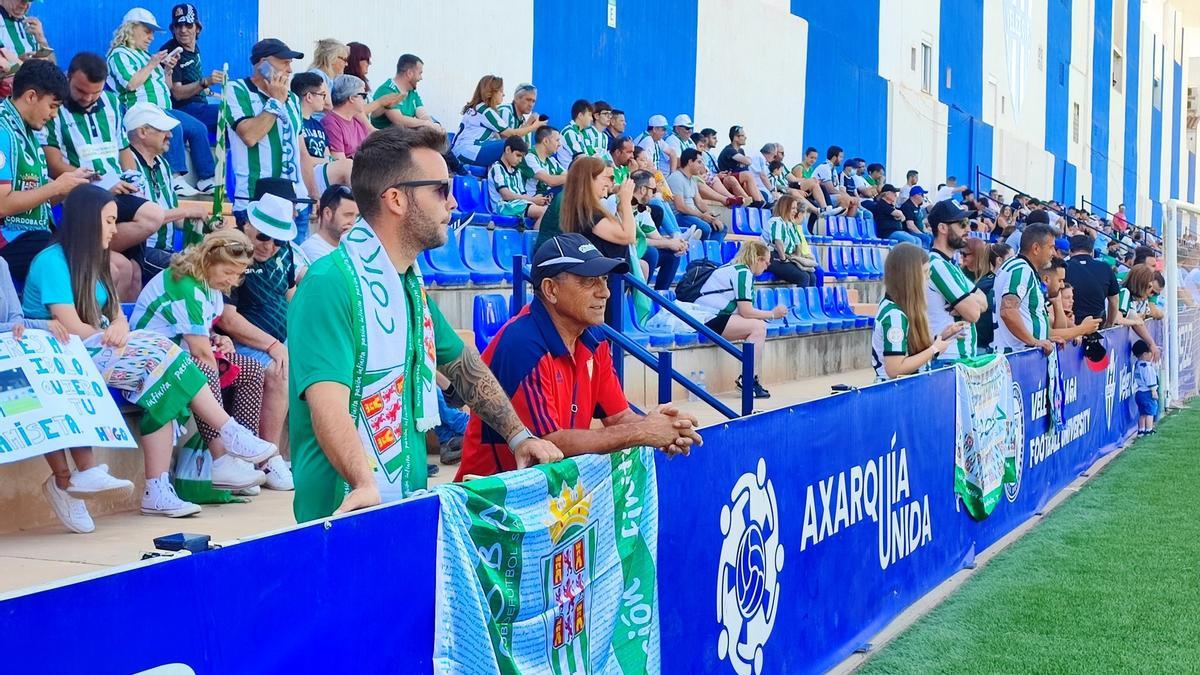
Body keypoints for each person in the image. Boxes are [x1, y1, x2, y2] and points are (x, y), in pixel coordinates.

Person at [288, 126, 562, 521]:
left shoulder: (407, 285)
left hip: (400, 509)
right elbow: (327, 401)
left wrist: (519, 436)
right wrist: (365, 482)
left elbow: (461, 365)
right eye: (439, 190)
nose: (452, 202)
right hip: (344, 516)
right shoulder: (328, 284)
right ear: (396, 199)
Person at [25, 185, 277, 530]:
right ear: (87, 221)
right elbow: (70, 327)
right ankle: (226, 434)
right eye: (110, 221)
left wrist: (116, 326)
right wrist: (109, 333)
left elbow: (115, 312)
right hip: (62, 355)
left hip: (97, 349)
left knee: (162, 378)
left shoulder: (96, 259)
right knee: (166, 354)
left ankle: (158, 489)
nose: (115, 229)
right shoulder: (51, 261)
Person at [455, 233, 699, 479]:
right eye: (589, 281)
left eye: (604, 279)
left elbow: (619, 417)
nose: (605, 292)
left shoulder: (593, 338)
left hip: (551, 493)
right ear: (551, 289)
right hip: (490, 499)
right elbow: (550, 442)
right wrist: (643, 432)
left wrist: (665, 428)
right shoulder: (522, 342)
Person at [131, 228, 290, 491]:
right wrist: (210, 347)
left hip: (174, 354)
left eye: (238, 274)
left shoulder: (209, 284)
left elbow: (200, 331)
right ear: (209, 261)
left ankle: (242, 460)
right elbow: (200, 352)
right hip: (150, 360)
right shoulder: (186, 285)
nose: (233, 281)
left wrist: (218, 337)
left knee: (250, 370)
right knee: (205, 367)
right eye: (228, 272)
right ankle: (222, 458)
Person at [43, 54, 174, 298]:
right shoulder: (55, 109)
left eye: (95, 92)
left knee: (135, 272)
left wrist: (132, 175)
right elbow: (53, 164)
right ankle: (83, 248)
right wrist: (99, 183)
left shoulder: (112, 103)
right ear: (68, 77)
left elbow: (123, 148)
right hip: (82, 194)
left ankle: (123, 331)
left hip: (116, 188)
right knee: (148, 224)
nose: (88, 98)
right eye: (81, 91)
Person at [107, 8, 215, 197]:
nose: (151, 37)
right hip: (139, 111)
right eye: (147, 31)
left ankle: (207, 178)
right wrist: (152, 64)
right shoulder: (119, 54)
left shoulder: (147, 55)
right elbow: (131, 83)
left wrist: (167, 70)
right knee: (174, 126)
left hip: (162, 108)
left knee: (198, 128)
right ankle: (175, 177)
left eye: (153, 33)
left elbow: (166, 86)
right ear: (131, 29)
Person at [0, 58, 90, 284]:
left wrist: (67, 189)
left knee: (96, 251)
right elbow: (2, 205)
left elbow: (32, 203)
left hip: (29, 235)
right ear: (31, 96)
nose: (54, 115)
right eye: (52, 106)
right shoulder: (2, 131)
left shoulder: (26, 131)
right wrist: (56, 186)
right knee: (66, 257)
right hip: (8, 240)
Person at [123, 102, 212, 280]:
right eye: (164, 130)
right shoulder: (127, 165)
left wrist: (209, 224)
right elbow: (141, 218)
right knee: (195, 272)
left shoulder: (162, 163)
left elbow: (175, 219)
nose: (170, 135)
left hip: (165, 250)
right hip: (141, 250)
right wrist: (186, 210)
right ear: (142, 132)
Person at [224, 38, 308, 218]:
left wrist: (313, 195)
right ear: (263, 64)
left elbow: (301, 151)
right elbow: (250, 136)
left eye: (290, 64)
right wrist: (276, 101)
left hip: (295, 202)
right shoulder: (236, 90)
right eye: (285, 63)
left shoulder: (292, 99)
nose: (290, 69)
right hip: (255, 201)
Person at [693, 241, 783, 398]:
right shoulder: (743, 273)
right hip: (707, 318)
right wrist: (772, 314)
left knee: (758, 325)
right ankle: (747, 380)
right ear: (757, 259)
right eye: (766, 262)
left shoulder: (734, 268)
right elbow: (746, 311)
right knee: (758, 328)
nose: (767, 267)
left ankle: (749, 378)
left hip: (710, 317)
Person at [994, 224, 1100, 354]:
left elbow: (1026, 317)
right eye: (1051, 247)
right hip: (1017, 354)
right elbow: (1008, 311)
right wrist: (1034, 341)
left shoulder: (1019, 267)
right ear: (1036, 248)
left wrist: (1045, 337)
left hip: (1018, 353)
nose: (1053, 253)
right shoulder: (1021, 270)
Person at [873, 243, 959, 380]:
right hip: (896, 394)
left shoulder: (897, 308)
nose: (928, 277)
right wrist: (934, 349)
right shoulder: (895, 316)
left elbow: (908, 354)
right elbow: (895, 370)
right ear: (910, 276)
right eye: (925, 272)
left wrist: (941, 337)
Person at [925, 200, 987, 365]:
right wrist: (968, 303)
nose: (967, 229)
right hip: (947, 359)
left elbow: (984, 301)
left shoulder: (950, 265)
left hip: (959, 359)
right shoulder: (936, 265)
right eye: (962, 224)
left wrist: (965, 302)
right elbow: (973, 313)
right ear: (942, 228)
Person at [453, 75, 544, 167]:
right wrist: (534, 126)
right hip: (466, 151)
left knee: (512, 147)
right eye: (501, 91)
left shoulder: (479, 107)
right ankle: (502, 177)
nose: (503, 94)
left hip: (463, 150)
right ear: (491, 92)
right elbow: (511, 134)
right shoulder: (486, 111)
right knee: (510, 145)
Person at [291, 72, 353, 204]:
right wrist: (325, 160)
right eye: (322, 95)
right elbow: (299, 156)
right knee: (347, 165)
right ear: (309, 97)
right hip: (305, 175)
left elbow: (327, 154)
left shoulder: (318, 125)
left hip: (320, 170)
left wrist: (326, 160)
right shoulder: (295, 122)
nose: (325, 99)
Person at [559, 156, 635, 264]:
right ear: (589, 181)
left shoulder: (585, 210)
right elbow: (628, 237)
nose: (608, 184)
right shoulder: (589, 214)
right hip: (602, 276)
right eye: (604, 178)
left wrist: (621, 207)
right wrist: (626, 201)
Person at [161, 3, 223, 136]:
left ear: (197, 28)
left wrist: (212, 93)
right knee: (230, 113)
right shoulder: (172, 52)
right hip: (184, 110)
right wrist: (205, 82)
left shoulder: (193, 47)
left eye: (188, 25)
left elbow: (191, 80)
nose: (183, 30)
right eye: (178, 26)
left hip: (201, 106)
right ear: (173, 29)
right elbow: (177, 93)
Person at [628, 170, 686, 289]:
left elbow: (657, 238)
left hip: (635, 251)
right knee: (651, 252)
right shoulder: (620, 203)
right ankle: (642, 293)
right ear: (643, 189)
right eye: (653, 190)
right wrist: (670, 243)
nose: (654, 195)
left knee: (671, 253)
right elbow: (633, 240)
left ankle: (661, 296)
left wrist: (675, 244)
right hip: (622, 253)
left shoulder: (642, 210)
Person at [668, 148, 727, 242]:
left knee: (721, 227)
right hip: (679, 216)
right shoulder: (676, 178)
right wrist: (702, 216)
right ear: (690, 162)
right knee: (705, 228)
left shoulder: (692, 179)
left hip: (692, 215)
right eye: (699, 162)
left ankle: (710, 253)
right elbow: (680, 207)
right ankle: (699, 253)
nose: (702, 166)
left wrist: (711, 216)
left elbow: (699, 202)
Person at [369, 53, 438, 131]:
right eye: (420, 73)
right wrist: (425, 123)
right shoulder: (387, 90)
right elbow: (399, 120)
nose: (421, 78)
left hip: (403, 139)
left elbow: (423, 115)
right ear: (409, 73)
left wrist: (432, 125)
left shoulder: (412, 92)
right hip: (386, 141)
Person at [761, 194, 818, 287]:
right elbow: (778, 241)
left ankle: (810, 301)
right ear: (785, 208)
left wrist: (798, 259)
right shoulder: (776, 221)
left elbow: (798, 243)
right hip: (773, 257)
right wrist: (783, 259)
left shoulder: (790, 224)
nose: (796, 211)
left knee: (812, 276)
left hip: (788, 256)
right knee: (803, 277)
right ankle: (799, 301)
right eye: (793, 208)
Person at [1064, 233, 1120, 327]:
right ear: (1092, 252)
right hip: (1097, 325)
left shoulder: (1062, 268)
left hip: (1068, 326)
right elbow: (1114, 300)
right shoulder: (1105, 268)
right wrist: (1109, 323)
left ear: (1070, 251)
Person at [487, 137, 547, 219]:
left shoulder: (517, 171)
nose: (520, 160)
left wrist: (536, 200)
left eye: (522, 157)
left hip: (518, 204)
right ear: (508, 150)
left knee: (548, 211)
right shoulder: (497, 168)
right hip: (503, 206)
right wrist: (532, 200)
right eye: (518, 155)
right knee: (543, 212)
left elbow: (523, 194)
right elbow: (506, 195)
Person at [1116, 264, 1162, 360]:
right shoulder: (1124, 292)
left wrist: (1152, 344)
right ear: (1141, 284)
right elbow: (1118, 319)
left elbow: (1135, 319)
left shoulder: (1130, 298)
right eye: (1149, 287)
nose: (1150, 294)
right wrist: (1135, 321)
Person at [301, 184, 357, 262]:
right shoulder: (312, 249)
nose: (353, 222)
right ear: (327, 213)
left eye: (357, 216)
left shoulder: (354, 247)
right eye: (347, 215)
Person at [322, 74, 372, 159]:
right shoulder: (331, 123)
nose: (365, 100)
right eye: (363, 96)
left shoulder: (358, 120)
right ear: (352, 98)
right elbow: (339, 161)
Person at [961, 238, 997, 353]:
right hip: (969, 336)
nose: (962, 257)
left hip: (988, 339)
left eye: (965, 254)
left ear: (977, 255)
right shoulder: (960, 275)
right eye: (961, 253)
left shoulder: (990, 278)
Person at [716, 125, 764, 206]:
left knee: (747, 181)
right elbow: (748, 161)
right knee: (747, 175)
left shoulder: (741, 150)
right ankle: (756, 202)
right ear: (735, 138)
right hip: (726, 180)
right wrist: (746, 159)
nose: (745, 137)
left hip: (737, 178)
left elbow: (746, 163)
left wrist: (745, 160)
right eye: (743, 135)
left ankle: (762, 203)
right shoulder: (729, 150)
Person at [812, 145, 859, 217]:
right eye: (840, 157)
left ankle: (846, 225)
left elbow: (837, 188)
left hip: (832, 196)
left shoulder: (834, 170)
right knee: (844, 199)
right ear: (834, 157)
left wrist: (847, 196)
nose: (842, 159)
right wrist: (845, 196)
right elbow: (829, 189)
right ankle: (837, 224)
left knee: (854, 202)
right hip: (821, 198)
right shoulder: (824, 168)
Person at [522, 125, 566, 195]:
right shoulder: (529, 157)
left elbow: (567, 175)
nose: (560, 144)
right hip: (534, 200)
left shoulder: (551, 160)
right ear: (545, 141)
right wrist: (573, 178)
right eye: (557, 140)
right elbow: (550, 181)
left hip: (549, 198)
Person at [557, 99, 598, 167]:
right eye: (590, 115)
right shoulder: (569, 132)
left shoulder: (584, 133)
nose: (592, 119)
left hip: (585, 171)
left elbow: (594, 155)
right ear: (580, 115)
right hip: (572, 174)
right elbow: (581, 158)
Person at [1132, 340, 1158, 435]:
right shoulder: (1147, 367)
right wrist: (1153, 391)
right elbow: (1150, 380)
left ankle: (1141, 430)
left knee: (1142, 413)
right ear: (1145, 354)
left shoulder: (1137, 365)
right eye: (1150, 353)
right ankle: (1149, 429)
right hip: (1147, 392)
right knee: (1150, 412)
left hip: (1139, 393)